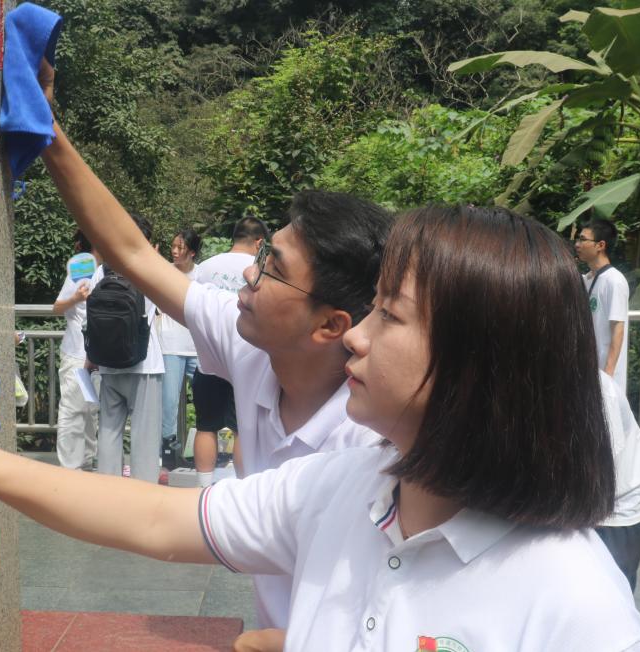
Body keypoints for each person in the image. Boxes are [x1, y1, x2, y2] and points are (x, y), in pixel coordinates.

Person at [0, 205, 640, 651]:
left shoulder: (577, 608)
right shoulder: (344, 487)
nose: (357, 337)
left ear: (474, 367)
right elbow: (157, 518)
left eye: (390, 316)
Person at [35, 50, 387, 632]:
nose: (248, 271)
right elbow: (133, 253)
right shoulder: (257, 345)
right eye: (263, 255)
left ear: (330, 326)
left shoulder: (370, 441)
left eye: (273, 269)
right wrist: (46, 129)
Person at [191, 216, 267, 487]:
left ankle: (203, 488)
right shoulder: (259, 268)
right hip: (247, 361)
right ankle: (243, 489)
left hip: (208, 359)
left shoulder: (205, 267)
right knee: (243, 430)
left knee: (205, 425)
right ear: (259, 242)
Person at [91, 212, 165, 483]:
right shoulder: (149, 269)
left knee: (109, 432)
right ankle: (143, 492)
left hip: (108, 362)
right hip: (145, 363)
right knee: (144, 436)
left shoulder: (103, 270)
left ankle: (107, 490)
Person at [598, 370, 640, 591]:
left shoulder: (602, 393)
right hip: (592, 497)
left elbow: (602, 465)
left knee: (613, 585)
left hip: (622, 504)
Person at [51, 231, 98, 471]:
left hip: (99, 356)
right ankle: (70, 467)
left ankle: (86, 461)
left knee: (90, 410)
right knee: (73, 409)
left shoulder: (106, 270)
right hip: (77, 354)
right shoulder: (81, 270)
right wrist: (77, 299)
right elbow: (57, 307)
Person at [159, 229, 202, 468]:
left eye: (180, 247)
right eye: (173, 246)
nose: (174, 251)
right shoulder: (164, 271)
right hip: (170, 344)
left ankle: (204, 450)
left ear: (192, 252)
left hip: (198, 347)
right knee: (169, 404)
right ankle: (168, 455)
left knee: (205, 400)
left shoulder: (202, 275)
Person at [575, 218, 630, 394]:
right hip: (589, 371)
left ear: (600, 245)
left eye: (583, 240)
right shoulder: (587, 279)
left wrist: (608, 376)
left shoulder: (614, 281)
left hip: (606, 377)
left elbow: (618, 329)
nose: (577, 245)